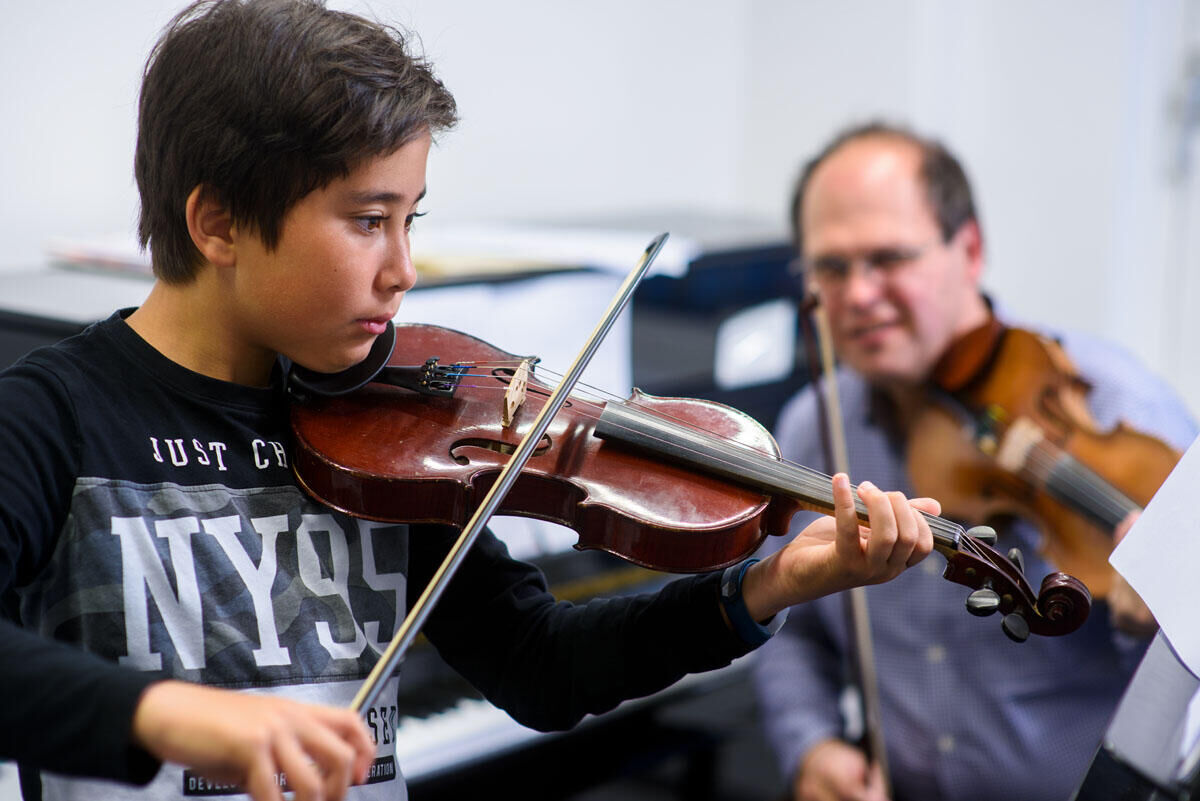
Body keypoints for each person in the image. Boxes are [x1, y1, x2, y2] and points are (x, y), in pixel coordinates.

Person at [0, 5, 942, 801]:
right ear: (218, 223)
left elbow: (541, 663)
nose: (403, 269)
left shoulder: (376, 426)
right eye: (369, 221)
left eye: (410, 220)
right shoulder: (51, 419)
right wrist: (167, 715)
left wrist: (765, 585)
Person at [751, 121, 1199, 801]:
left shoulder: (1115, 407)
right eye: (831, 268)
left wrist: (1153, 629)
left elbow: (1187, 702)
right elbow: (791, 626)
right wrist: (810, 744)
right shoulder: (815, 426)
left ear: (970, 249)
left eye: (888, 258)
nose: (859, 295)